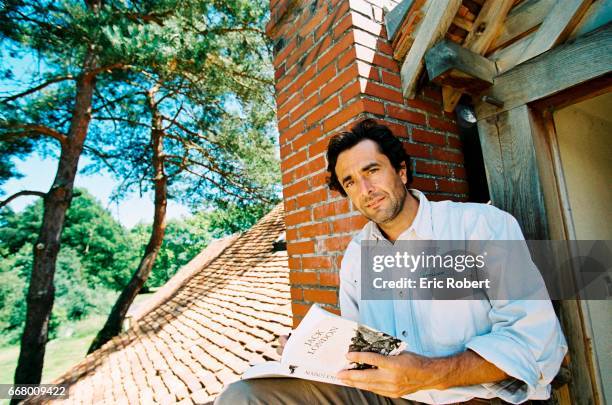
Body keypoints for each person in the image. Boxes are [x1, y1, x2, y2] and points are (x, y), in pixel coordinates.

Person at [215, 119, 567, 404]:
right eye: (350, 182)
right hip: (389, 395)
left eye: (372, 170)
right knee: (244, 397)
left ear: (401, 171)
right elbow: (361, 347)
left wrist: (428, 373)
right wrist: (309, 351)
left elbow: (534, 340)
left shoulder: (480, 225)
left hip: (474, 396)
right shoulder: (357, 256)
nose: (365, 189)